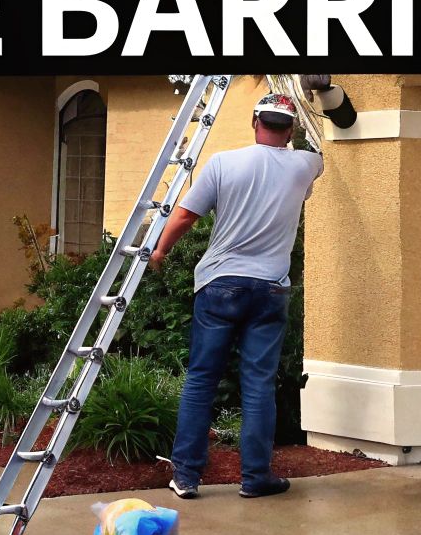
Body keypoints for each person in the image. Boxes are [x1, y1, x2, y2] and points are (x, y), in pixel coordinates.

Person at [150, 75, 352, 501]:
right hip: (270, 290)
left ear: (255, 121)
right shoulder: (303, 166)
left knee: (201, 379)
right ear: (290, 128)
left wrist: (160, 252)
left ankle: (186, 477)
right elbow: (322, 151)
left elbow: (185, 216)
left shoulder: (224, 163)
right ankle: (255, 478)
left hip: (220, 284)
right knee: (258, 385)